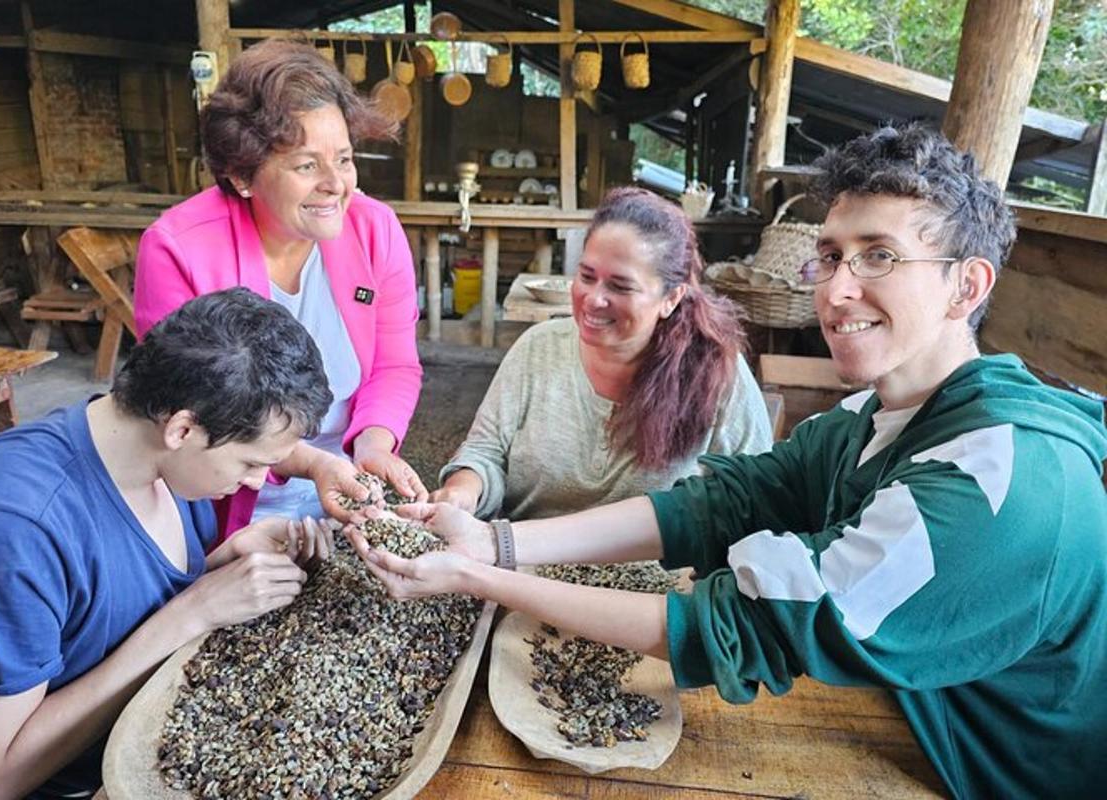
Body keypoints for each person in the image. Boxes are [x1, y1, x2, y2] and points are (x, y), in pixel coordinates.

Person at [349, 125, 1107, 799]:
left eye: (881, 257)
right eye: (832, 256)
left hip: (983, 770)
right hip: (905, 703)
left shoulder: (992, 482)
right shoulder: (867, 416)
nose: (840, 291)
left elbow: (741, 629)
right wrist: (494, 543)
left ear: (964, 285)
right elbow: (721, 503)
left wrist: (482, 577)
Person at [0, 288, 336, 799]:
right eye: (251, 463)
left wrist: (229, 562)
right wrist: (193, 613)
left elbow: (111, 606)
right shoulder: (6, 532)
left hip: (161, 723)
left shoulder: (145, 455)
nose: (257, 483)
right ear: (182, 428)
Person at [135, 39, 425, 537]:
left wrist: (373, 447)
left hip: (344, 484)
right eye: (306, 165)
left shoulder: (375, 230)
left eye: (345, 159)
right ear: (243, 174)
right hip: (224, 496)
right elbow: (201, 412)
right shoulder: (177, 250)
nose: (336, 184)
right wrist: (311, 464)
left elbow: (395, 366)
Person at [432, 187, 771, 520]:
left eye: (620, 286)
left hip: (663, 573)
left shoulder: (715, 373)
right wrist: (463, 492)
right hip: (517, 558)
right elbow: (485, 451)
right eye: (586, 276)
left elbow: (752, 500)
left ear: (671, 298)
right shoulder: (538, 349)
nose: (594, 299)